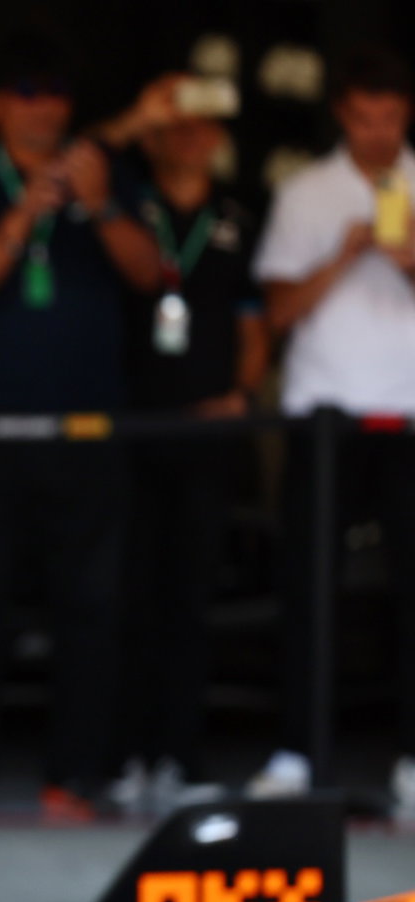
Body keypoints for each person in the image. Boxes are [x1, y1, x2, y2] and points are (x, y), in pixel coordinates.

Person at [0, 31, 158, 821]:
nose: (43, 107)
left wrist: (99, 205)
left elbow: (153, 276)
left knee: (93, 608)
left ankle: (78, 778)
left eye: (55, 93)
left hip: (89, 428)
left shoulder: (110, 177)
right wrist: (24, 213)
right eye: (26, 91)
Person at [250, 45, 415, 817]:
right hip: (325, 417)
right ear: (344, 113)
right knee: (309, 588)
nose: (378, 131)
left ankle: (411, 761)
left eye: (390, 117)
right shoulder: (307, 192)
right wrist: (345, 254)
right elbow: (277, 313)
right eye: (364, 116)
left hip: (409, 416)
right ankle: (296, 751)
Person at [101, 80, 269, 816]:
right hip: (133, 430)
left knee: (191, 599)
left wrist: (243, 392)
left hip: (205, 433)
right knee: (128, 597)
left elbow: (254, 323)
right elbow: (86, 160)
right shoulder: (126, 203)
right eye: (178, 127)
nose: (192, 138)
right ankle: (126, 756)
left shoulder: (238, 216)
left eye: (206, 128)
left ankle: (181, 757)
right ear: (157, 134)